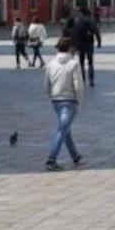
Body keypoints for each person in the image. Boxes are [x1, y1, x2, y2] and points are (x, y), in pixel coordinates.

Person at [43, 37, 84, 171]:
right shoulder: (74, 64)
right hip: (69, 100)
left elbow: (45, 85)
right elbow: (78, 84)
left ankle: (75, 155)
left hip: (56, 100)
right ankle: (51, 159)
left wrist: (52, 95)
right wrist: (80, 99)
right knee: (62, 129)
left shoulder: (50, 64)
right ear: (70, 48)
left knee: (65, 128)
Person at [73, 8, 101, 86]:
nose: (79, 14)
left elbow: (76, 35)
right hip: (90, 44)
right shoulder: (92, 21)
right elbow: (97, 32)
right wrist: (99, 42)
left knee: (81, 63)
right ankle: (91, 80)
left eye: (80, 13)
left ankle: (83, 80)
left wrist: (75, 46)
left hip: (81, 44)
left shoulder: (79, 22)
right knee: (90, 62)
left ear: (82, 13)